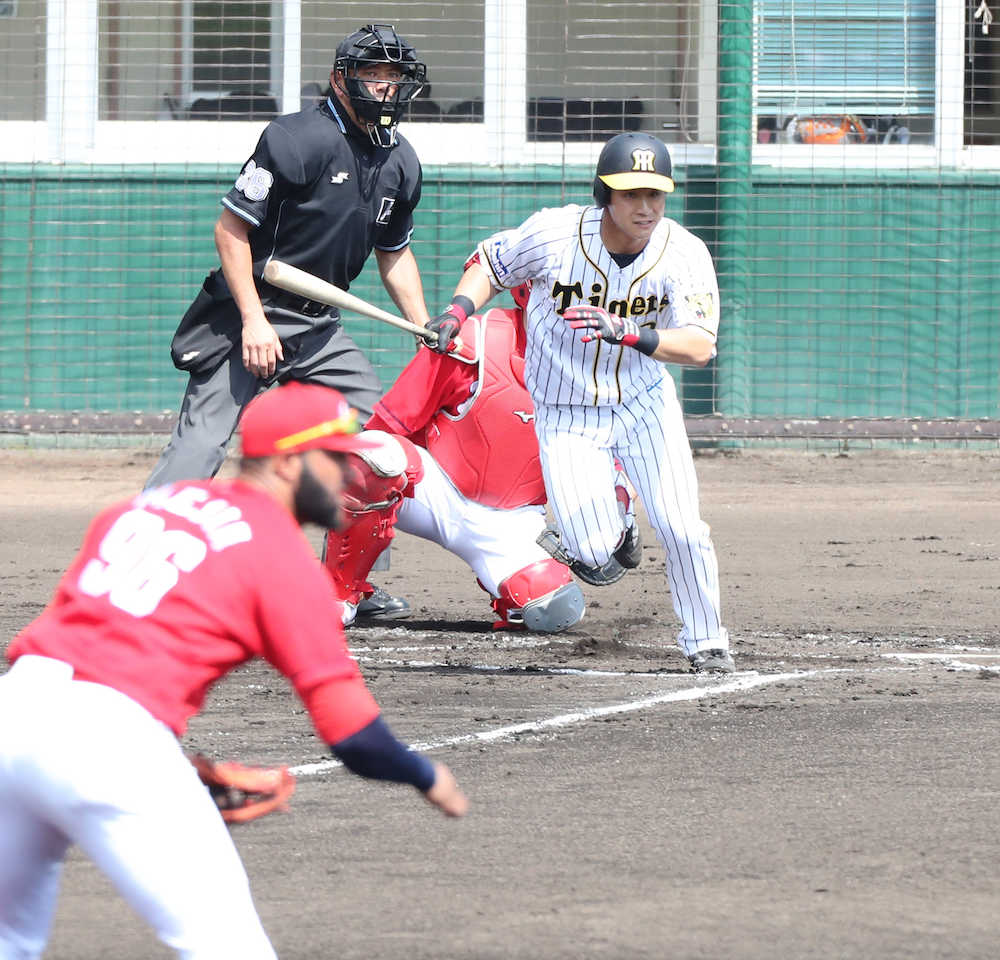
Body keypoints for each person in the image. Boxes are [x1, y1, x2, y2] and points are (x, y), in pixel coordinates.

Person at [0, 382, 468, 959]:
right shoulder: (277, 550)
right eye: (338, 458)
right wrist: (427, 777)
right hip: (113, 747)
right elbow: (353, 736)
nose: (351, 476)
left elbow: (85, 650)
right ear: (291, 460)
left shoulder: (147, 507)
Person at [147, 22, 430, 620]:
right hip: (245, 312)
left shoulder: (401, 161)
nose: (387, 88)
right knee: (201, 444)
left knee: (377, 439)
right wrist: (253, 321)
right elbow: (231, 231)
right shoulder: (295, 138)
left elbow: (394, 253)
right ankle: (144, 561)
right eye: (374, 76)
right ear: (341, 80)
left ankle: (347, 581)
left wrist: (422, 328)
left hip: (318, 323)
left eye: (395, 77)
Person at [424, 132, 734, 673]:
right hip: (566, 413)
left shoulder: (683, 252)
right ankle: (618, 520)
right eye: (631, 193)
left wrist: (629, 333)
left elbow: (701, 346)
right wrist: (455, 312)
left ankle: (706, 640)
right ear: (604, 193)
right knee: (591, 554)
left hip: (644, 405)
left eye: (655, 194)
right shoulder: (555, 234)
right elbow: (491, 267)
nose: (645, 207)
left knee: (684, 526)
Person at [322, 283, 588, 631]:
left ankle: (509, 593)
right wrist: (371, 486)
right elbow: (383, 431)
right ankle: (337, 593)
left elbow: (601, 458)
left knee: (553, 609)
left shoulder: (597, 369)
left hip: (514, 520)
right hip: (437, 491)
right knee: (373, 457)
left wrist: (616, 523)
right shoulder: (469, 343)